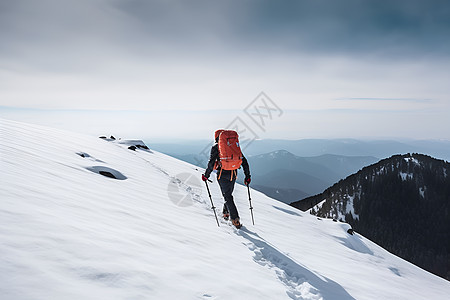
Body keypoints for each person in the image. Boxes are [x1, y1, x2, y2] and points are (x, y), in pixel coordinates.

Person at [202, 129, 251, 228]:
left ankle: (235, 219)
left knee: (227, 196)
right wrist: (247, 176)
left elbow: (211, 163)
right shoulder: (233, 147)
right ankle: (226, 213)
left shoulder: (216, 147)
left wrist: (206, 175)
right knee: (228, 194)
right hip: (233, 173)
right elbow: (244, 161)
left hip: (222, 174)